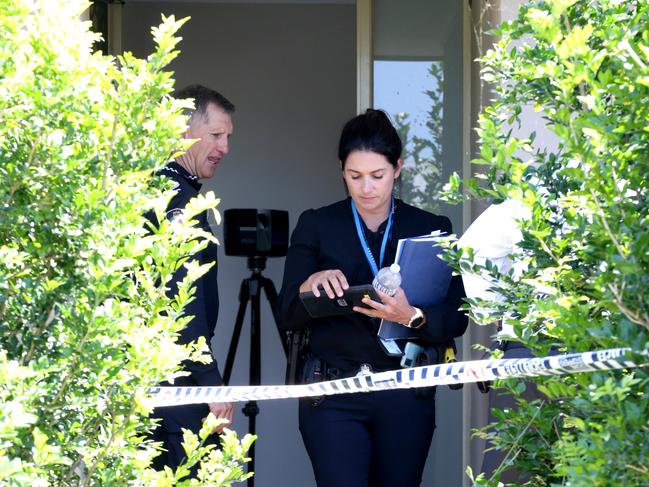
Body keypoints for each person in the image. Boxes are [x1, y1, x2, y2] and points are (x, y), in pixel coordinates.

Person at [277, 109, 468, 487]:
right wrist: (309, 285)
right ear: (341, 171)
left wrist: (412, 315)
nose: (366, 188)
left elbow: (457, 317)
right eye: (355, 176)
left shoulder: (432, 228)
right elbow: (287, 314)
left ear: (397, 168)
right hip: (333, 393)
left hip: (404, 393)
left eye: (377, 176)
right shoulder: (317, 224)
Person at [149, 84, 236, 473]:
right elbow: (182, 299)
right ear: (182, 131)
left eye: (228, 137)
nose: (225, 148)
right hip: (177, 389)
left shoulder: (149, 188)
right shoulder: (180, 201)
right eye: (216, 135)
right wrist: (209, 380)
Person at [457, 198, 553, 482]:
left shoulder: (534, 191)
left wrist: (494, 311)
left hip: (526, 348)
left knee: (513, 471)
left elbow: (472, 250)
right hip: (601, 346)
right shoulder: (620, 191)